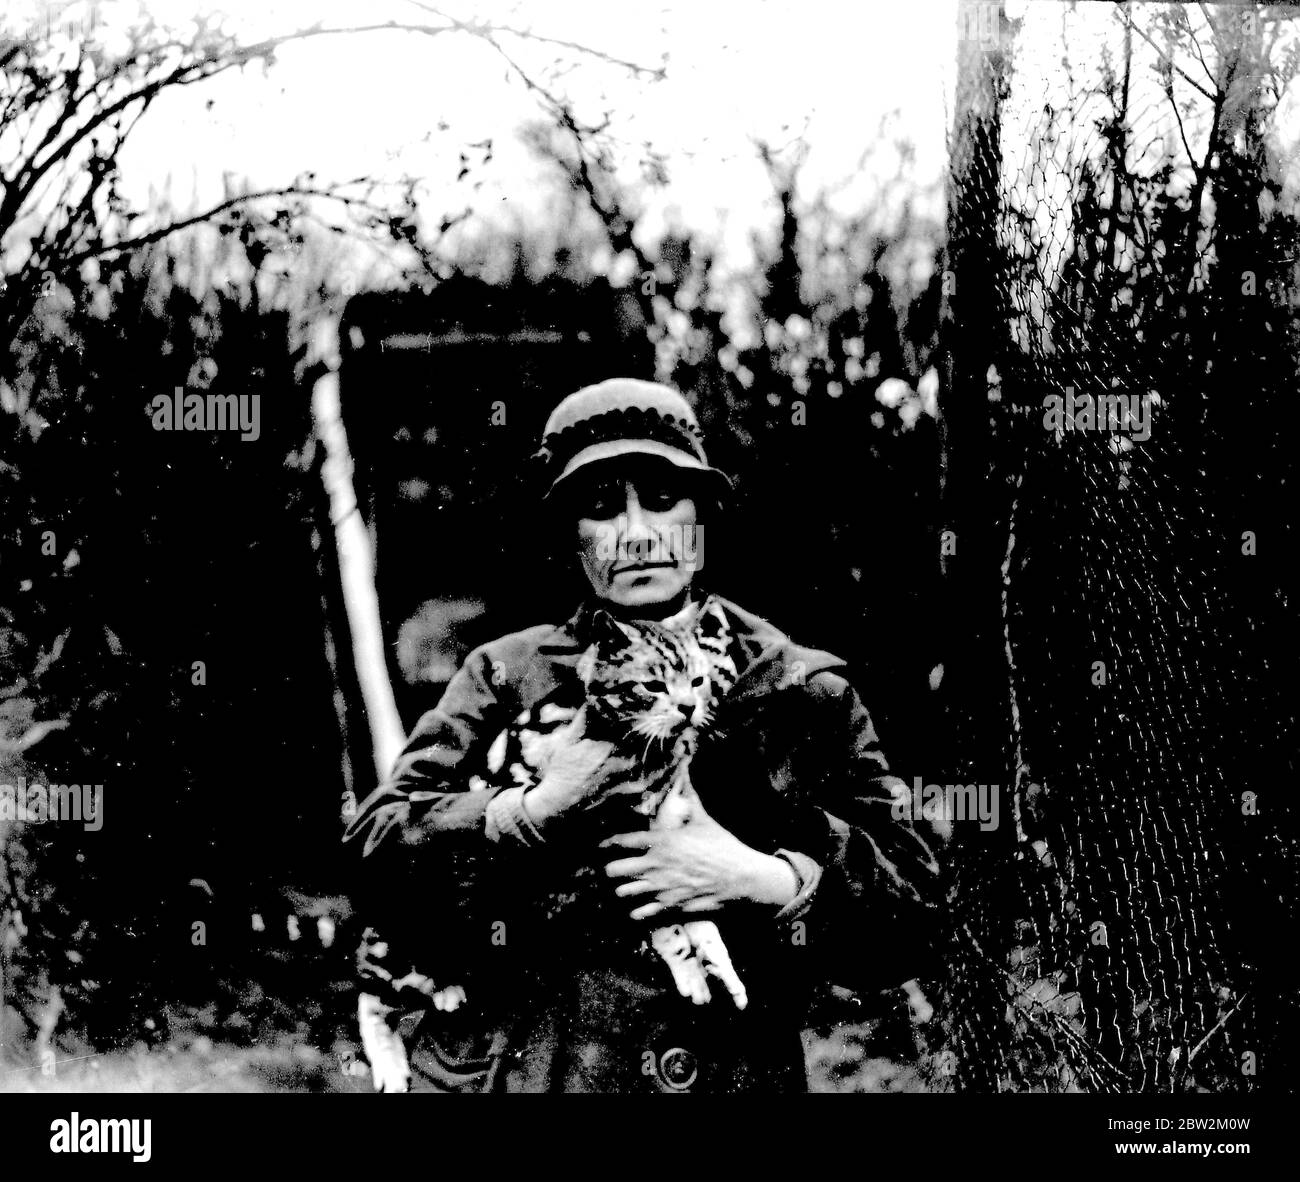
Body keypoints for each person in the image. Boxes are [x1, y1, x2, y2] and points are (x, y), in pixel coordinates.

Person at [343, 377, 940, 1093]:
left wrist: (763, 878)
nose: (636, 533)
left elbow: (915, 913)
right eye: (600, 508)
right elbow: (374, 857)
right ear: (570, 535)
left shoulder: (799, 690)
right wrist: (525, 815)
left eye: (661, 499)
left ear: (704, 514)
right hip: (546, 1074)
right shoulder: (507, 675)